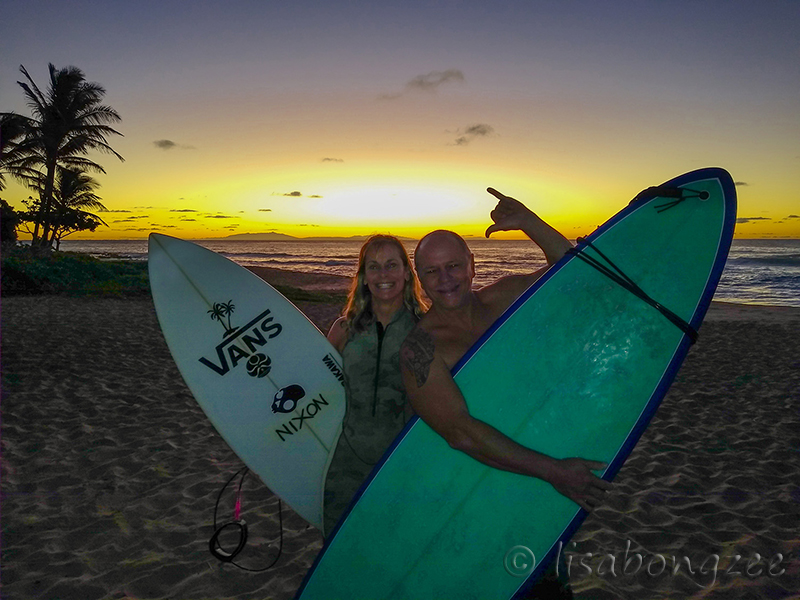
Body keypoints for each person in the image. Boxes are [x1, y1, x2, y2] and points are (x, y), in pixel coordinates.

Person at [400, 188, 612, 598]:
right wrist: (555, 471)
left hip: (535, 465)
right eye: (431, 271)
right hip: (477, 484)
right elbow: (459, 433)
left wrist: (530, 222)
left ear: (472, 265)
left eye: (454, 266)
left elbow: (573, 272)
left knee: (550, 580)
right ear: (419, 278)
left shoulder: (503, 297)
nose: (445, 280)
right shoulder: (420, 347)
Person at [323, 234, 429, 536]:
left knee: (395, 542)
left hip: (401, 463)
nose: (383, 275)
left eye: (392, 265)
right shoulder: (344, 329)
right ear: (364, 277)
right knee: (339, 545)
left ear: (407, 273)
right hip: (344, 464)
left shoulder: (427, 329)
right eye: (374, 267)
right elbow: (321, 390)